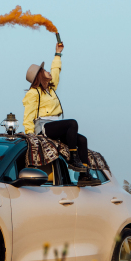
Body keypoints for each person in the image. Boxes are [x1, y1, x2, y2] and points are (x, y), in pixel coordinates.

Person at [22, 41, 89, 171]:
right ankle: (73, 159)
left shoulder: (51, 89)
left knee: (82, 140)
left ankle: (84, 174)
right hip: (43, 127)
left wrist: (58, 54)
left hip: (55, 126)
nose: (49, 72)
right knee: (72, 123)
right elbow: (28, 115)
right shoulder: (33, 93)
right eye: (45, 71)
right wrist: (31, 136)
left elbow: (56, 71)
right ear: (40, 75)